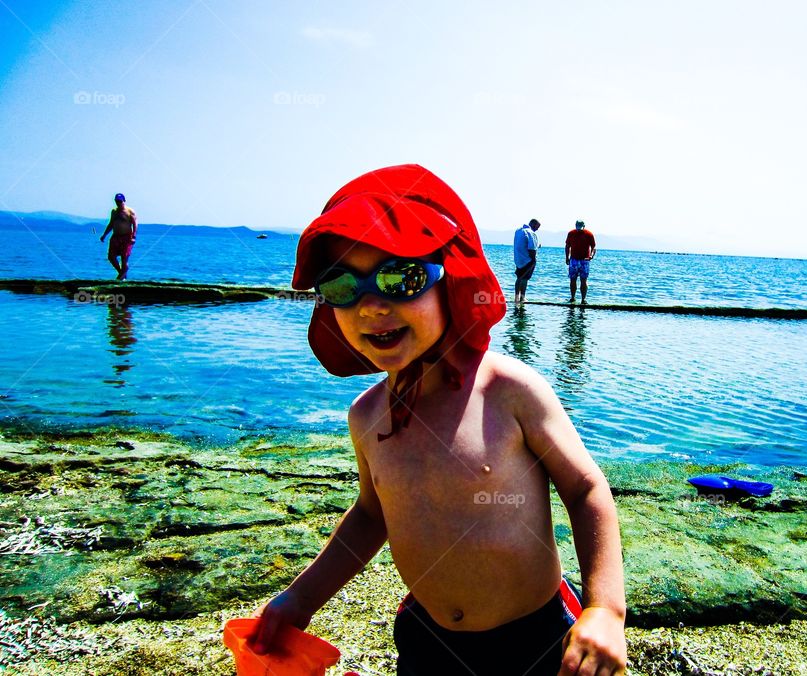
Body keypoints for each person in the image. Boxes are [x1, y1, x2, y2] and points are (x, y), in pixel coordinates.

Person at [251, 165, 627, 675]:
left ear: (452, 281)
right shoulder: (366, 416)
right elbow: (369, 516)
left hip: (536, 636)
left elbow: (585, 489)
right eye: (342, 286)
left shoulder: (508, 391)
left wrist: (604, 608)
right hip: (427, 638)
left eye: (401, 278)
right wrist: (299, 600)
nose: (370, 307)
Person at [99, 193, 137, 280]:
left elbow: (135, 224)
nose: (118, 203)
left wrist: (134, 236)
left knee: (124, 259)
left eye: (120, 201)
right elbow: (111, 224)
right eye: (117, 201)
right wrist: (104, 235)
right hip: (116, 237)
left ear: (124, 201)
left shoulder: (130, 211)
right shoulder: (114, 211)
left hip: (127, 237)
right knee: (111, 257)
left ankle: (121, 277)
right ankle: (122, 274)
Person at [565, 220, 596, 304]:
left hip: (584, 260)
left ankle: (583, 299)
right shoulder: (571, 233)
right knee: (572, 279)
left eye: (580, 228)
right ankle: (572, 298)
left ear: (584, 226)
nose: (579, 229)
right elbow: (567, 246)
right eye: (578, 227)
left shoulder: (589, 234)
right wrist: (567, 258)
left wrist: (591, 256)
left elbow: (593, 247)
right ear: (575, 226)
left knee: (584, 280)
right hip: (573, 259)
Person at [513, 218, 541, 305]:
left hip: (518, 259)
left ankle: (517, 297)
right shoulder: (531, 233)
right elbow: (532, 248)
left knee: (520, 277)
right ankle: (522, 297)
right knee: (523, 278)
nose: (537, 229)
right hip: (527, 259)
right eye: (537, 227)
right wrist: (534, 260)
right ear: (533, 224)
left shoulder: (519, 230)